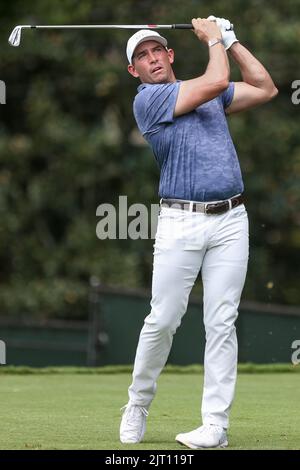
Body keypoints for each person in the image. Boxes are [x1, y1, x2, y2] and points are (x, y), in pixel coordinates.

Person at [120, 16, 278, 449]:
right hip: (180, 222)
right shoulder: (149, 101)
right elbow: (215, 80)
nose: (151, 59)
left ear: (170, 56)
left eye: (157, 51)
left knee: (222, 322)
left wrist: (232, 39)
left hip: (231, 219)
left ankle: (215, 426)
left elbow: (265, 88)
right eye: (141, 57)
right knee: (163, 319)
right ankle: (138, 401)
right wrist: (213, 42)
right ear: (134, 71)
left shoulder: (208, 87)